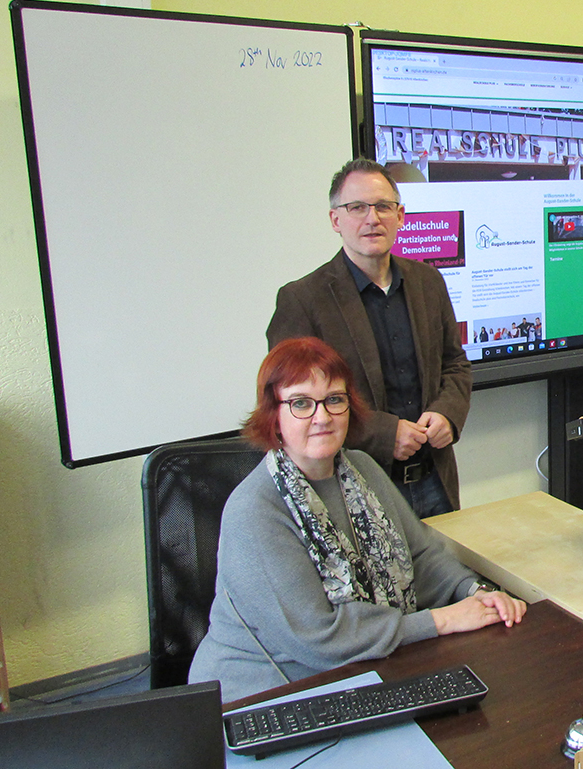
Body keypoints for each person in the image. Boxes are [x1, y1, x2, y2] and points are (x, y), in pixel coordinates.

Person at [189, 337, 524, 703]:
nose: (322, 417)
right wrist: (441, 620)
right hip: (263, 696)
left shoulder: (361, 468)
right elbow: (319, 637)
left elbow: (421, 556)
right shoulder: (255, 511)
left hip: (359, 671)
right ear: (274, 416)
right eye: (301, 403)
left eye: (334, 399)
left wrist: (475, 592)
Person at [268, 158, 472, 517]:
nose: (372, 218)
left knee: (447, 571)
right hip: (356, 488)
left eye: (383, 207)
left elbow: (454, 363)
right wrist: (382, 433)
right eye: (357, 207)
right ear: (336, 220)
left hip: (436, 479)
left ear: (401, 216)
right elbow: (293, 406)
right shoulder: (302, 300)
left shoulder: (428, 281)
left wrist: (447, 414)